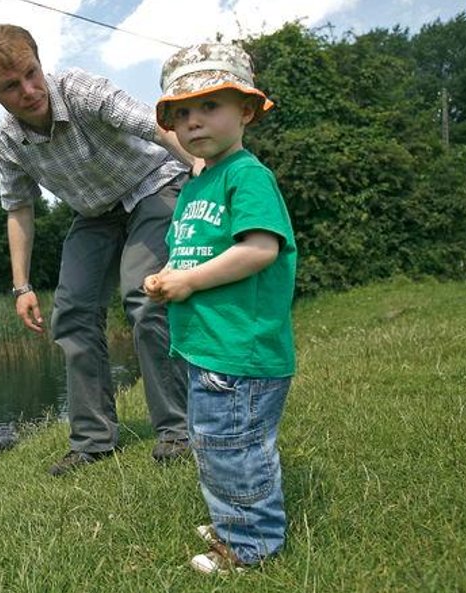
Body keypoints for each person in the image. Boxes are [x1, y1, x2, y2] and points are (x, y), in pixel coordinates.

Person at [0, 24, 194, 476]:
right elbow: (19, 210)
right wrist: (22, 286)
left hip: (155, 185)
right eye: (11, 86)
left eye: (32, 73)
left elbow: (157, 127)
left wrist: (204, 166)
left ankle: (178, 430)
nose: (30, 91)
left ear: (39, 61)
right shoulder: (9, 142)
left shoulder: (82, 90)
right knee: (70, 313)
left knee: (145, 295)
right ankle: (93, 441)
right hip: (95, 213)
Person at [143, 43, 297, 573]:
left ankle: (250, 544)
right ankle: (238, 517)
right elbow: (195, 250)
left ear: (247, 110)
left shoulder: (246, 175)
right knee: (222, 444)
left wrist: (187, 282)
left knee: (233, 447)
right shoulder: (198, 181)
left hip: (239, 347)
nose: (193, 122)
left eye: (210, 106)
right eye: (182, 114)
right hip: (210, 345)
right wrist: (169, 277)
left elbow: (260, 249)